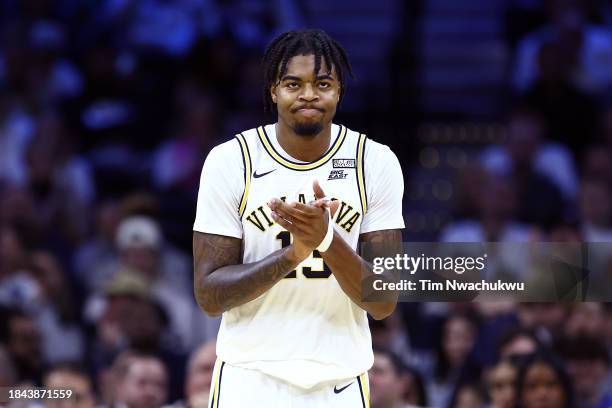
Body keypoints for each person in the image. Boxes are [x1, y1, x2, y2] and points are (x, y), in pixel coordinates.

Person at [193, 28, 404, 407]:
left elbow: (384, 299)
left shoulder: (374, 161)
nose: (309, 94)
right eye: (294, 83)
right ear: (273, 90)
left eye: (322, 83)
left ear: (339, 91)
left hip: (340, 377)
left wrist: (326, 240)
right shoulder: (231, 161)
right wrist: (292, 254)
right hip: (249, 376)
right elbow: (209, 295)